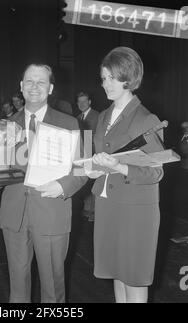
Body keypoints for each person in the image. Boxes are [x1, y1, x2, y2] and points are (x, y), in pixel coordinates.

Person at [0, 63, 87, 303]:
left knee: (53, 287)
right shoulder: (5, 125)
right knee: (17, 288)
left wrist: (63, 186)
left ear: (50, 88)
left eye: (41, 82)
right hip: (14, 215)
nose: (34, 86)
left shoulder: (70, 123)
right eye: (29, 81)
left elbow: (84, 168)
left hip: (52, 212)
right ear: (21, 87)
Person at [84, 47, 164, 303]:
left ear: (128, 78)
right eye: (103, 78)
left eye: (111, 78)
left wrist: (119, 167)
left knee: (134, 278)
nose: (105, 84)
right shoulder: (104, 115)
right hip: (109, 204)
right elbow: (103, 156)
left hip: (135, 210)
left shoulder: (146, 118)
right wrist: (93, 166)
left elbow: (155, 171)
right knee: (117, 275)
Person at [76, 91, 99, 221]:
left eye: (85, 101)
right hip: (82, 154)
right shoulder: (78, 117)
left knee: (94, 182)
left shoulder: (97, 115)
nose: (82, 104)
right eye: (79, 102)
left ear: (89, 102)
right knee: (85, 180)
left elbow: (98, 135)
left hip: (93, 153)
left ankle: (94, 212)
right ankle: (88, 209)